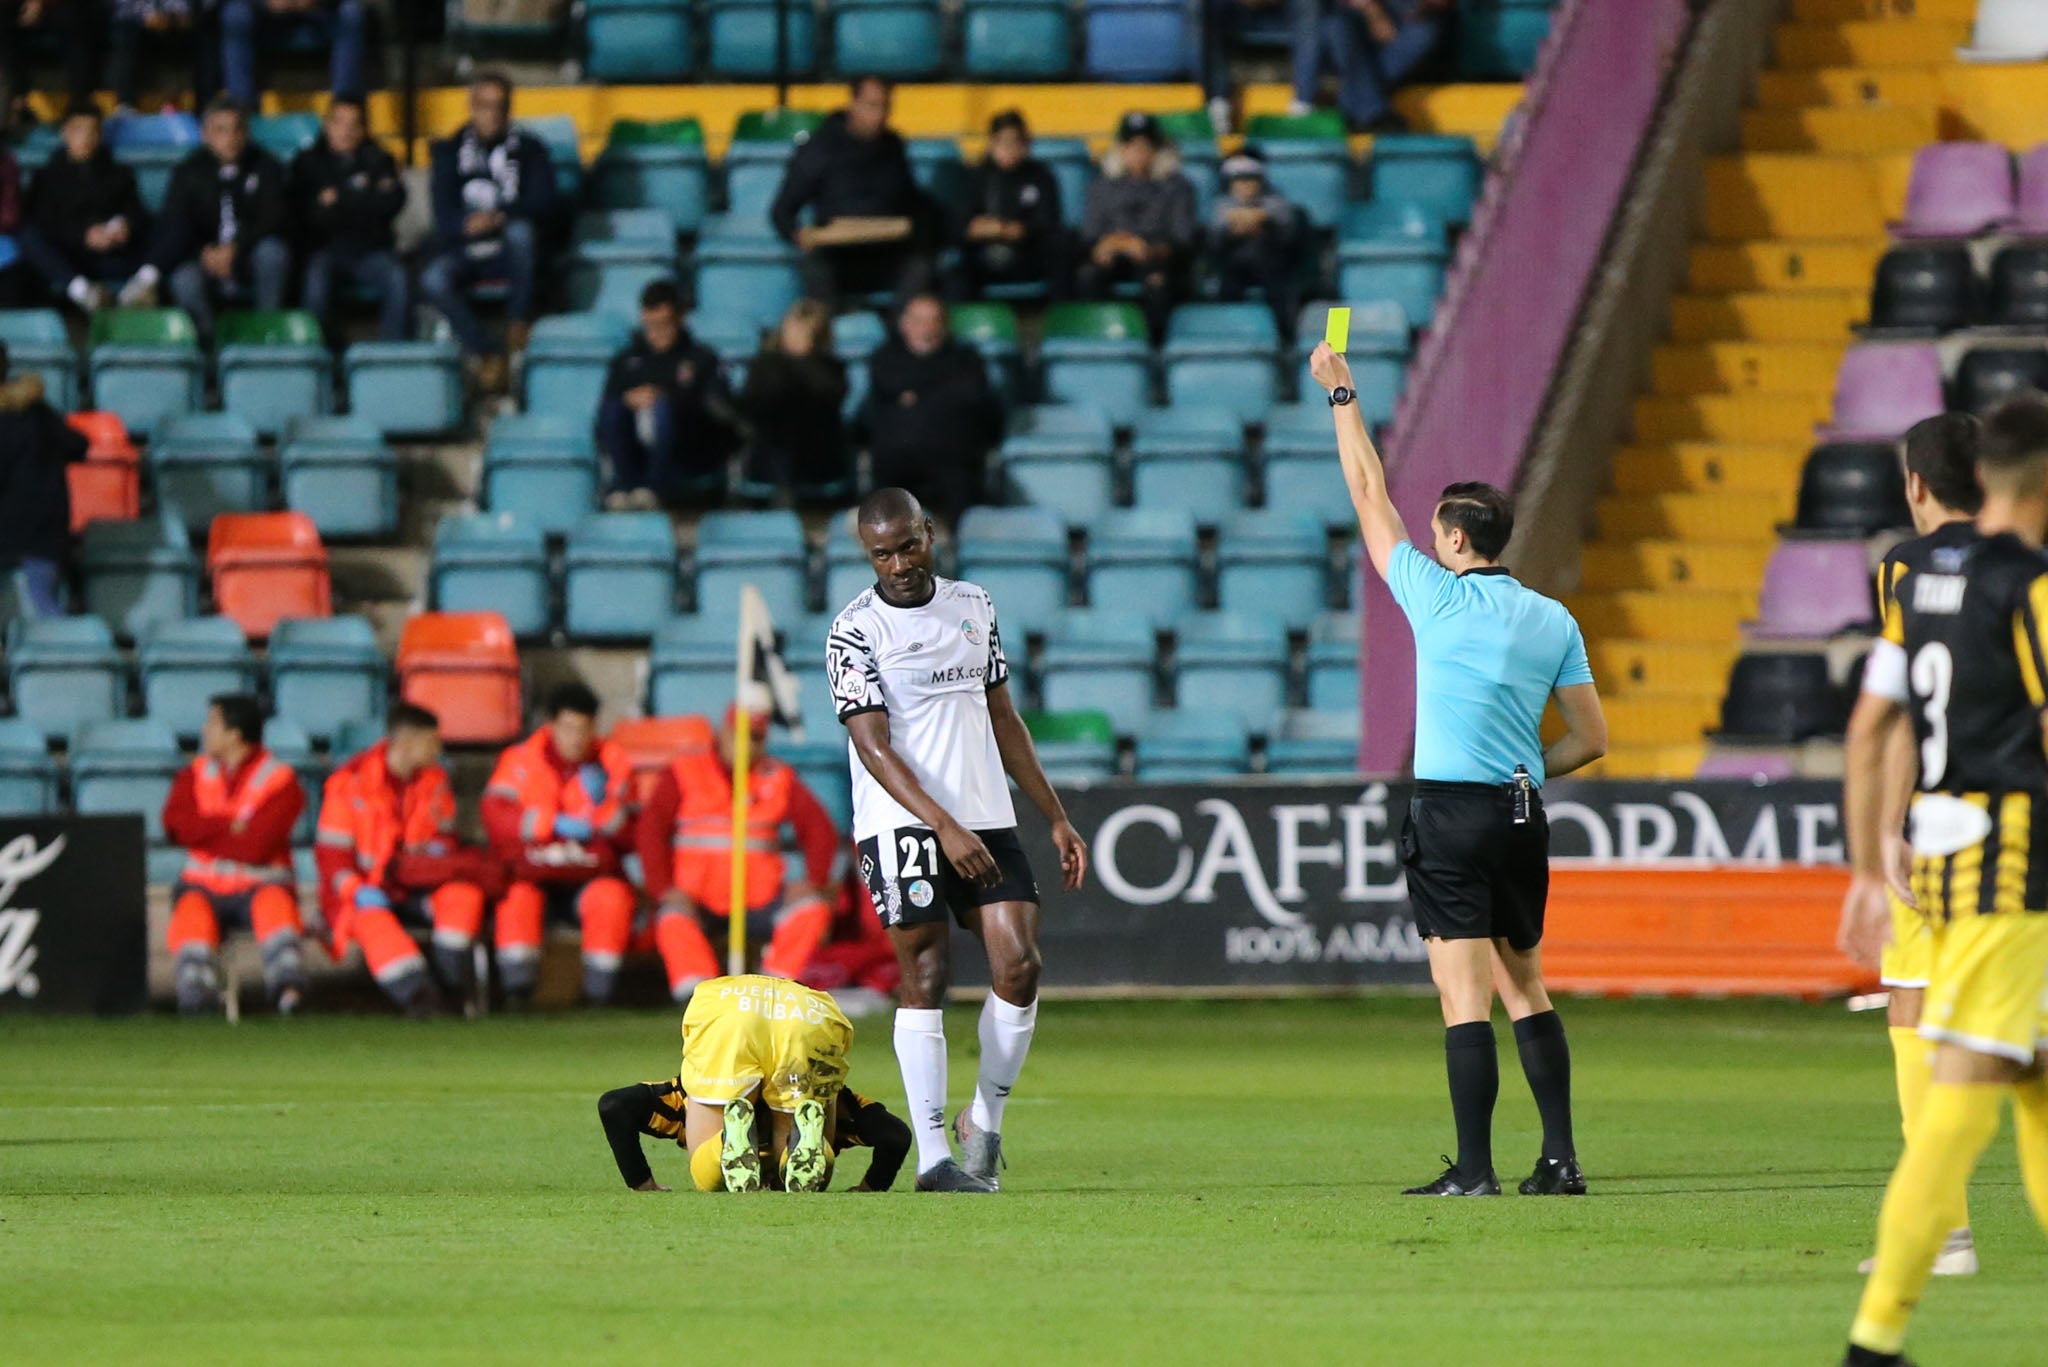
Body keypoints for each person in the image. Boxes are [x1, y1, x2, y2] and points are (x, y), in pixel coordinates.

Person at [1307, 340, 1605, 1198]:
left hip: (1449, 814)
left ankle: (1474, 1170)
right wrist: (1527, 772)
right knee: (1527, 984)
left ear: (1457, 537)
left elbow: (1368, 491)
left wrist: (1342, 393)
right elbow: (1590, 737)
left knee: (1460, 997)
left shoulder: (1434, 596)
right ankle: (1559, 1160)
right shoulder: (1553, 619)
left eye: (1437, 529)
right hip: (1520, 812)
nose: (1427, 539)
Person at [1834, 394, 2048, 1367]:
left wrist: (1868, 854)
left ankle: (1887, 1318)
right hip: (2014, 858)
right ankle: (1874, 1333)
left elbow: (1868, 726)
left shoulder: (1908, 581)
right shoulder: (2027, 583)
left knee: (2027, 1077)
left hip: (1934, 847)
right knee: (1968, 1081)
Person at [827, 487, 1089, 1193]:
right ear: (866, 553)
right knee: (926, 978)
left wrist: (1055, 813)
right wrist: (941, 824)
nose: (899, 563)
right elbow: (874, 748)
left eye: (908, 545)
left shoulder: (973, 605)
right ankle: (935, 1157)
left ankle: (983, 1118)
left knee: (1021, 963)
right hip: (902, 824)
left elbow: (1003, 716)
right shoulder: (853, 632)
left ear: (929, 533)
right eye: (882, 553)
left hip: (986, 816)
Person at [1837, 413, 1987, 1281]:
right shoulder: (2031, 564)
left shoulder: (1904, 565)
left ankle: (1946, 1230)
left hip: (1933, 823)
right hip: (2017, 826)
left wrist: (1885, 833)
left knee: (1915, 1014)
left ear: (1915, 485)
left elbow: (1886, 721)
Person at [637, 703, 840, 1004]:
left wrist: (814, 881)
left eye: (756, 738)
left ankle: (772, 993)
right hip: (695, 899)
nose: (747, 745)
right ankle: (701, 1001)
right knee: (672, 919)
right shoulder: (685, 771)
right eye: (740, 736)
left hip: (762, 900)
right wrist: (663, 889)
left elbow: (820, 830)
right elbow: (650, 831)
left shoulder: (777, 776)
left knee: (813, 909)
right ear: (723, 734)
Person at [315, 704, 506, 1019]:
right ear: (406, 743)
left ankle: (452, 985)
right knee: (374, 923)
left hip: (418, 884)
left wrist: (437, 852)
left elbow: (446, 836)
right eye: (432, 741)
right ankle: (422, 997)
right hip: (366, 888)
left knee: (463, 896)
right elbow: (332, 857)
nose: (439, 748)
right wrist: (355, 890)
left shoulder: (435, 781)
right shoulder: (349, 784)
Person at [481, 683, 638, 1009]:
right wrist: (550, 824)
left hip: (588, 875)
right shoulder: (519, 760)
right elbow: (497, 818)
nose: (576, 738)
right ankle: (517, 994)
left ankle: (598, 996)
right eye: (568, 728)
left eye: (584, 729)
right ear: (550, 725)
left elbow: (628, 834)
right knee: (517, 896)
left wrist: (603, 804)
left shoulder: (614, 763)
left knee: (610, 898)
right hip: (534, 870)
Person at [160, 694, 309, 1016]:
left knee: (276, 908)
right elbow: (174, 827)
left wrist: (206, 831)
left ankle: (289, 995)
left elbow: (257, 846)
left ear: (235, 734)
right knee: (191, 915)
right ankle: (198, 1002)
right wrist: (233, 825)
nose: (203, 731)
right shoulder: (194, 774)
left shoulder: (281, 780)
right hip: (201, 887)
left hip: (262, 886)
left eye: (212, 723)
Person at [421, 72, 557, 393]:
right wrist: (464, 225)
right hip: (464, 248)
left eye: (499, 106)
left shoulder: (530, 149)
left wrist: (499, 217)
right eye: (484, 105)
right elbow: (442, 212)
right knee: (432, 279)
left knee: (522, 233)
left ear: (509, 110)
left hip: (509, 249)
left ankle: (517, 324)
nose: (492, 114)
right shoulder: (449, 150)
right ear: (471, 106)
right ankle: (487, 349)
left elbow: (544, 202)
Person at [661, 974, 855, 1192]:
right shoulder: (821, 999)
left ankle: (726, 1140)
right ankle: (802, 1143)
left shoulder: (711, 990)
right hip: (810, 1012)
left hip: (729, 1009)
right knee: (801, 1151)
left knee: (704, 1167)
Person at [597, 1071, 911, 1194]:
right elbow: (895, 1136)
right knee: (816, 1147)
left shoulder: (691, 1101)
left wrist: (643, 1184)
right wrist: (870, 1189)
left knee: (707, 1170)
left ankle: (724, 1142)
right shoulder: (836, 1102)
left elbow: (614, 1105)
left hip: (717, 1093)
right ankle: (797, 1146)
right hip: (802, 1088)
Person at [137, 96, 291, 338]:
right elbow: (175, 222)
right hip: (205, 257)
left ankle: (267, 331)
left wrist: (236, 246)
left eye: (236, 130)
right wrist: (203, 252)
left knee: (273, 253)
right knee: (183, 279)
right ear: (205, 134)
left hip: (247, 254)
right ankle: (209, 345)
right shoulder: (188, 171)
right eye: (220, 130)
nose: (229, 138)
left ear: (246, 133)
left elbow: (274, 217)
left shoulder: (267, 166)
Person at [769, 76, 931, 306]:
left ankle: (900, 335)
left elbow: (911, 200)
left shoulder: (892, 147)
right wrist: (799, 235)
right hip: (837, 255)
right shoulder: (820, 148)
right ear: (853, 103)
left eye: (885, 106)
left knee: (920, 267)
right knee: (816, 269)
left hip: (885, 250)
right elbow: (782, 210)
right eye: (872, 105)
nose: (879, 115)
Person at [595, 279, 737, 509]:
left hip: (687, 451)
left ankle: (656, 487)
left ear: (679, 318)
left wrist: (664, 398)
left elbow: (718, 412)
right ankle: (625, 484)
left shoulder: (701, 359)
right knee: (615, 406)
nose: (657, 333)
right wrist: (629, 400)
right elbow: (602, 418)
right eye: (651, 325)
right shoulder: (626, 361)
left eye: (665, 324)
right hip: (637, 447)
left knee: (663, 408)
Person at [861, 293, 1001, 522]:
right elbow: (888, 383)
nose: (926, 328)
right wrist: (942, 390)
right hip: (897, 458)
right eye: (917, 320)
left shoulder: (966, 358)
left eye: (933, 320)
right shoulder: (885, 356)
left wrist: (916, 394)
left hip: (953, 456)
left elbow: (971, 395)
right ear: (904, 324)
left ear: (944, 325)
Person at [290, 96, 409, 341]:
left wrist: (337, 201)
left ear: (364, 129)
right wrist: (361, 197)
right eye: (339, 123)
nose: (346, 131)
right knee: (314, 284)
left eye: (354, 124)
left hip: (371, 251)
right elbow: (304, 216)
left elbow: (391, 203)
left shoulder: (379, 159)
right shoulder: (307, 162)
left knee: (399, 279)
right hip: (325, 252)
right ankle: (322, 359)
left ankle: (392, 356)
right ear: (327, 125)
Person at [1076, 113, 1197, 341]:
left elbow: (1184, 239)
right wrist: (1105, 246)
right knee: (1089, 276)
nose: (1138, 153)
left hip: (1158, 259)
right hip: (1113, 256)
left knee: (1158, 284)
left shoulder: (1177, 186)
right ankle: (1099, 339)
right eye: (1131, 146)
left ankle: (1155, 346)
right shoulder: (1101, 186)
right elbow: (1090, 235)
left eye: (1145, 146)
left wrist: (1151, 249)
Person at [19, 106, 150, 313]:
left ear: (101, 134)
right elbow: (42, 221)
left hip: (112, 256)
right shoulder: (46, 176)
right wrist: (84, 235)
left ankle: (143, 285)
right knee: (28, 234)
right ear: (65, 133)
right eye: (79, 130)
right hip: (67, 259)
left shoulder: (120, 173)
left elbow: (137, 213)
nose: (86, 137)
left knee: (165, 230)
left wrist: (123, 227)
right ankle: (82, 291)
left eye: (93, 130)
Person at [0, 342, 86, 616]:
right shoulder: (35, 409)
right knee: (44, 605)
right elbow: (77, 444)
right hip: (45, 530)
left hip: (13, 530)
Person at [737, 297, 849, 505]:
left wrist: (803, 361)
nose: (795, 337)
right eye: (792, 329)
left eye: (803, 331)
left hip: (817, 454)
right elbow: (759, 402)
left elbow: (829, 397)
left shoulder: (831, 368)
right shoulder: (765, 365)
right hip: (771, 453)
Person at [1290, 0, 1451, 132]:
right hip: (1357, 16)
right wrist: (1374, 13)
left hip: (1407, 15)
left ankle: (1355, 104)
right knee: (1336, 26)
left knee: (1424, 33)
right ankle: (1373, 111)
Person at [954, 111, 1062, 300]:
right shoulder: (977, 177)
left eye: (1017, 142)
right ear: (992, 144)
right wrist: (990, 229)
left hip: (1028, 255)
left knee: (1061, 253)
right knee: (956, 271)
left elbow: (1048, 223)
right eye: (1004, 142)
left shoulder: (1041, 177)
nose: (1010, 148)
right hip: (983, 255)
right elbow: (962, 224)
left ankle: (1060, 322)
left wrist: (1019, 230)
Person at [1208, 149, 1301, 338]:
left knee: (1282, 289)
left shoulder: (1281, 206)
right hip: (1234, 271)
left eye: (1250, 179)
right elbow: (1214, 238)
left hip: (1276, 271)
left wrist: (1264, 222)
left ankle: (1286, 342)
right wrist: (1235, 230)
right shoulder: (1221, 207)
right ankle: (1232, 340)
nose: (1245, 186)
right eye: (1239, 181)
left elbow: (1288, 236)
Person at [220, 0, 369, 107]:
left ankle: (345, 101)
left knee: (351, 12)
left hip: (317, 17)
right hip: (265, 19)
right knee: (235, 13)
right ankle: (242, 105)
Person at [109, 0, 222, 112]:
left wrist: (194, 14)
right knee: (125, 36)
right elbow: (121, 5)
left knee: (208, 36)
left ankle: (206, 107)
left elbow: (210, 4)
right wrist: (145, 15)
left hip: (187, 23)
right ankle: (125, 106)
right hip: (142, 24)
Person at [0, 0, 95, 127]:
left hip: (54, 7)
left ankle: (79, 107)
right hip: (9, 10)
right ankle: (17, 100)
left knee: (77, 19)